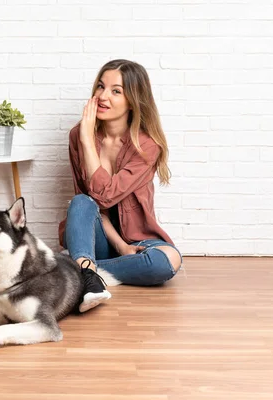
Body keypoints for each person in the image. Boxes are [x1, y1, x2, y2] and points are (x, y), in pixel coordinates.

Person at [58, 59, 183, 313]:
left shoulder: (147, 145)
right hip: (96, 240)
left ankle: (78, 269)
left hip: (137, 240)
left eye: (116, 91)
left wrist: (127, 247)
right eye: (101, 87)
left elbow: (107, 195)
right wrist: (85, 138)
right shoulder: (79, 135)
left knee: (169, 260)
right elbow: (94, 203)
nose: (103, 96)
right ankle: (87, 270)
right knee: (80, 202)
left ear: (133, 101)